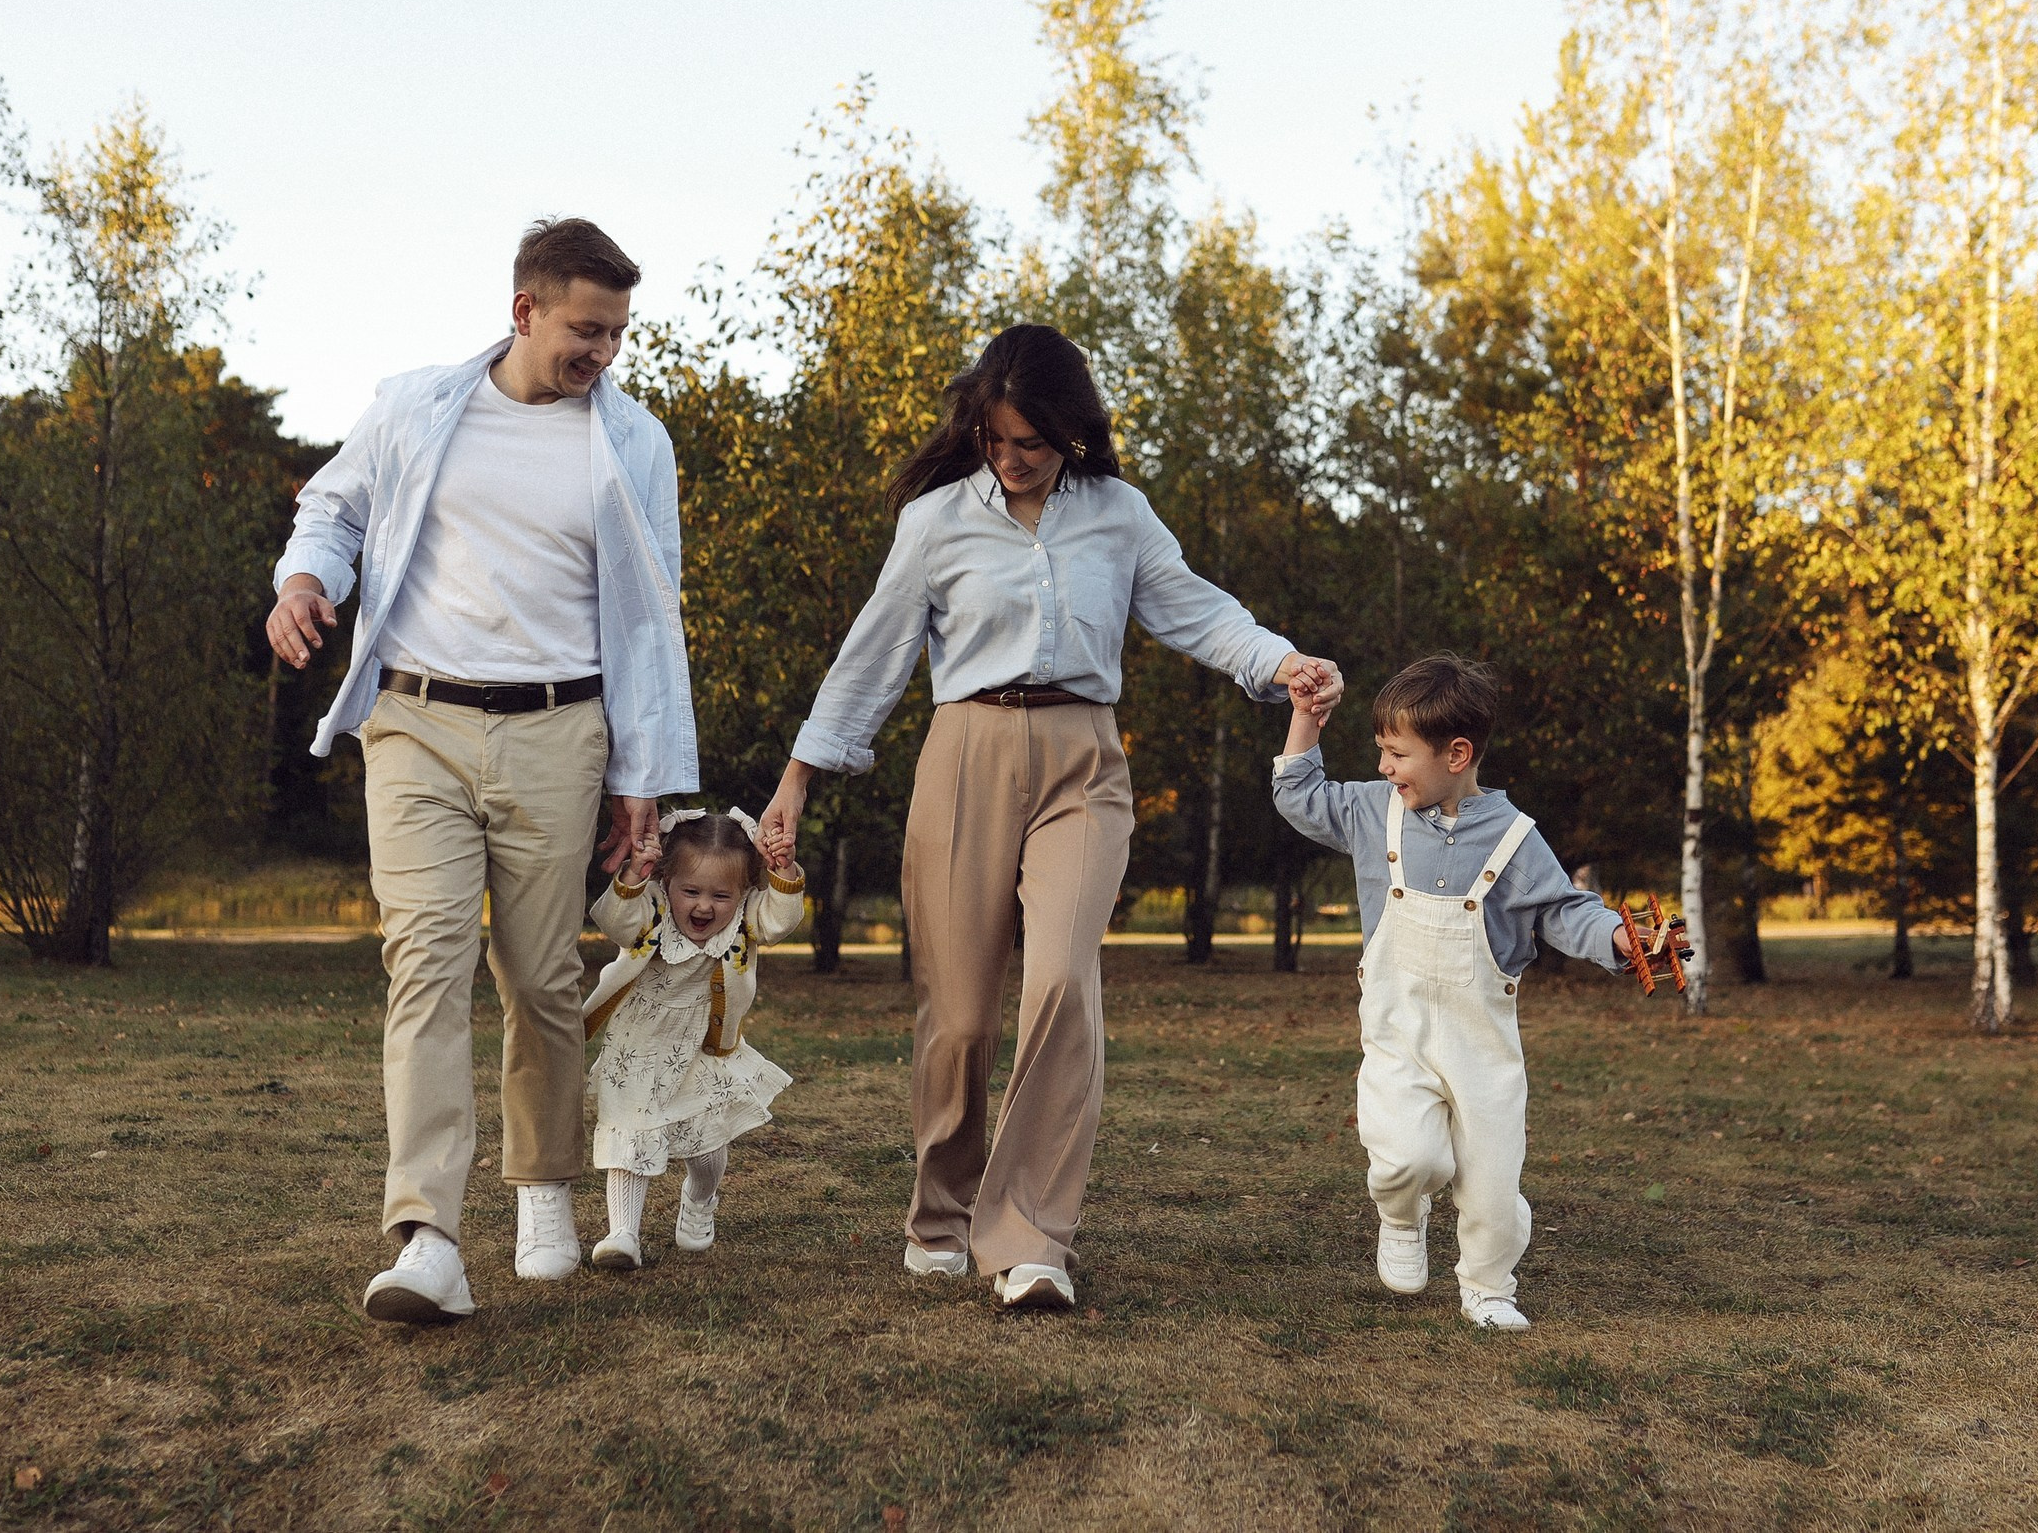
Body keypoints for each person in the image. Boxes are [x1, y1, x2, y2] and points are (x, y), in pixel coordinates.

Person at [757, 323, 1343, 1312]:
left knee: (1063, 983)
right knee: (960, 1018)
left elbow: (1194, 610)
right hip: (964, 756)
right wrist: (798, 778)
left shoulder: (1117, 514)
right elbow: (874, 656)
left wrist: (1280, 661)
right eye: (994, 440)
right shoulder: (937, 522)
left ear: (1069, 431)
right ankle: (940, 1212)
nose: (1011, 459)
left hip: (1082, 761)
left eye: (1030, 441)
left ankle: (1030, 1238)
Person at [264, 218, 697, 1325]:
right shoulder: (418, 405)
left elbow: (653, 622)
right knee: (424, 963)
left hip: (563, 729)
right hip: (415, 722)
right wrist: (306, 580)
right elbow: (333, 505)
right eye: (585, 331)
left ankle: (543, 1185)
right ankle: (428, 1238)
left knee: (543, 977)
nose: (601, 352)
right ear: (525, 312)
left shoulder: (635, 444)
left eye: (615, 335)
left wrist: (642, 777)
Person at [1272, 652, 1635, 1331]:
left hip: (1481, 1044)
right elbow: (1297, 795)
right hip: (1398, 1029)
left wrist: (1616, 936)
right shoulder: (1371, 812)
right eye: (1382, 750)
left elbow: (1563, 910)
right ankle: (1402, 1215)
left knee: (1493, 1185)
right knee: (1408, 1155)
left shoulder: (1516, 838)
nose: (1384, 766)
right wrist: (1303, 718)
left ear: (1457, 753)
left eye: (1397, 753)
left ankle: (1489, 1284)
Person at [581, 809, 804, 1269]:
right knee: (630, 1129)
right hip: (637, 1043)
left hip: (703, 1045)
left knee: (705, 1142)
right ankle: (622, 1233)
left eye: (721, 895)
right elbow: (617, 922)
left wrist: (783, 871)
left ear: (743, 893)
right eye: (691, 891)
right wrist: (632, 875)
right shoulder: (653, 910)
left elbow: (779, 922)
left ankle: (701, 1196)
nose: (704, 907)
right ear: (666, 882)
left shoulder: (745, 923)